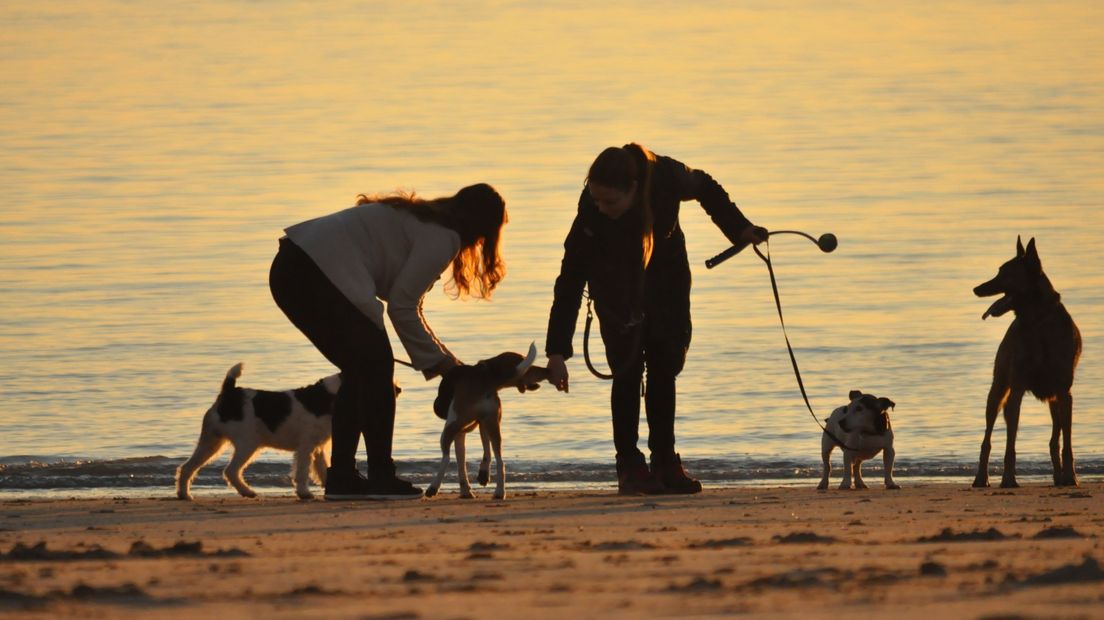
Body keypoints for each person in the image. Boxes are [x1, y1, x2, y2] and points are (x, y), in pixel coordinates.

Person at [545, 144, 767, 495]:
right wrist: (557, 351)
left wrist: (740, 230)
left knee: (665, 366)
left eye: (610, 202)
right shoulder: (590, 213)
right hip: (614, 287)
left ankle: (664, 461)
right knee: (627, 370)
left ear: (633, 189)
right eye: (596, 199)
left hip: (668, 279)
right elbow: (570, 280)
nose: (601, 209)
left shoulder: (666, 175)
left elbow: (706, 186)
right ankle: (629, 466)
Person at [269, 183, 507, 500]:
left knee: (361, 370)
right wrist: (445, 366)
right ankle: (379, 476)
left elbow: (406, 303)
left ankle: (343, 478)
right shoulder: (443, 236)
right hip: (316, 272)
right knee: (376, 368)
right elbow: (402, 307)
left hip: (292, 266)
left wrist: (441, 360)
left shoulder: (421, 218)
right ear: (481, 231)